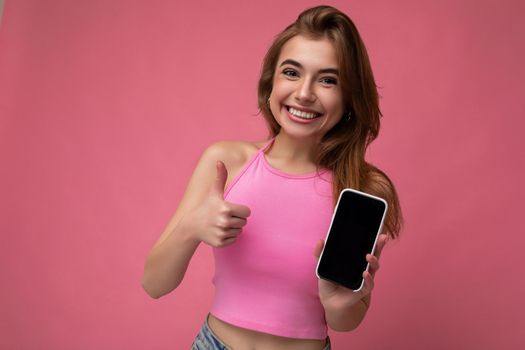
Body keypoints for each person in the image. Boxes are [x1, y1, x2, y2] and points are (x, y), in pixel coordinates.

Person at [142, 5, 403, 350]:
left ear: (349, 98)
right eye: (292, 73)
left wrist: (340, 303)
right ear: (271, 84)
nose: (305, 93)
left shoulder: (363, 189)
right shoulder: (226, 162)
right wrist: (192, 227)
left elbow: (344, 321)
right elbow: (154, 284)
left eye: (328, 80)